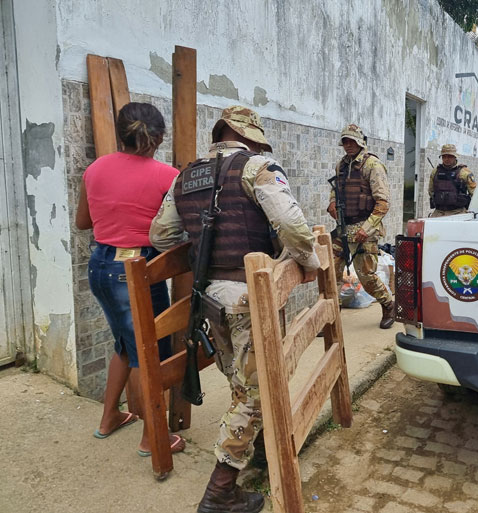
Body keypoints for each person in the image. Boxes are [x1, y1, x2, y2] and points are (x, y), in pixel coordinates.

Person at [150, 105, 320, 513]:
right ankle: (220, 491)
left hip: (208, 297)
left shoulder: (185, 176)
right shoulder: (256, 166)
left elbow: (160, 236)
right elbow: (294, 227)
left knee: (241, 381)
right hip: (249, 298)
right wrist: (310, 264)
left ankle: (259, 450)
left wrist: (199, 244)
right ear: (248, 137)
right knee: (256, 391)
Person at [75, 102, 185, 457]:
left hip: (100, 267)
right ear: (160, 138)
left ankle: (109, 419)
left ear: (121, 134)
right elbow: (175, 231)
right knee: (151, 353)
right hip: (140, 270)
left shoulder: (93, 170)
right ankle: (154, 436)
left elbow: (82, 222)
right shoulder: (168, 176)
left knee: (125, 343)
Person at [327, 124, 395, 329]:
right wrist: (331, 202)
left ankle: (388, 304)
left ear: (360, 142)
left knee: (366, 276)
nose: (348, 145)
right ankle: (332, 317)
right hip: (343, 228)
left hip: (365, 229)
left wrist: (367, 228)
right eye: (345, 141)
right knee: (331, 272)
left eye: (351, 141)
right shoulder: (341, 165)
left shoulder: (372, 165)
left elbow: (383, 202)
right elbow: (336, 190)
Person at [428, 143, 477, 217]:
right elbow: (431, 191)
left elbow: (474, 193)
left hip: (458, 212)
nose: (447, 159)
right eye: (444, 156)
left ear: (455, 157)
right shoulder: (435, 172)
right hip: (439, 212)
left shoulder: (464, 173)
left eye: (450, 156)